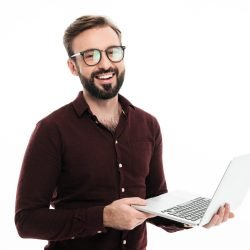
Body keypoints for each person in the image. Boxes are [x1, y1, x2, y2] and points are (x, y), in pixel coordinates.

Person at [15, 15, 234, 250]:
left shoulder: (148, 124)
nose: (105, 64)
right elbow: (26, 221)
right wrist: (104, 217)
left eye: (113, 52)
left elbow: (155, 202)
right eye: (91, 56)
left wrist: (196, 218)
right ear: (73, 66)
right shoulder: (51, 129)